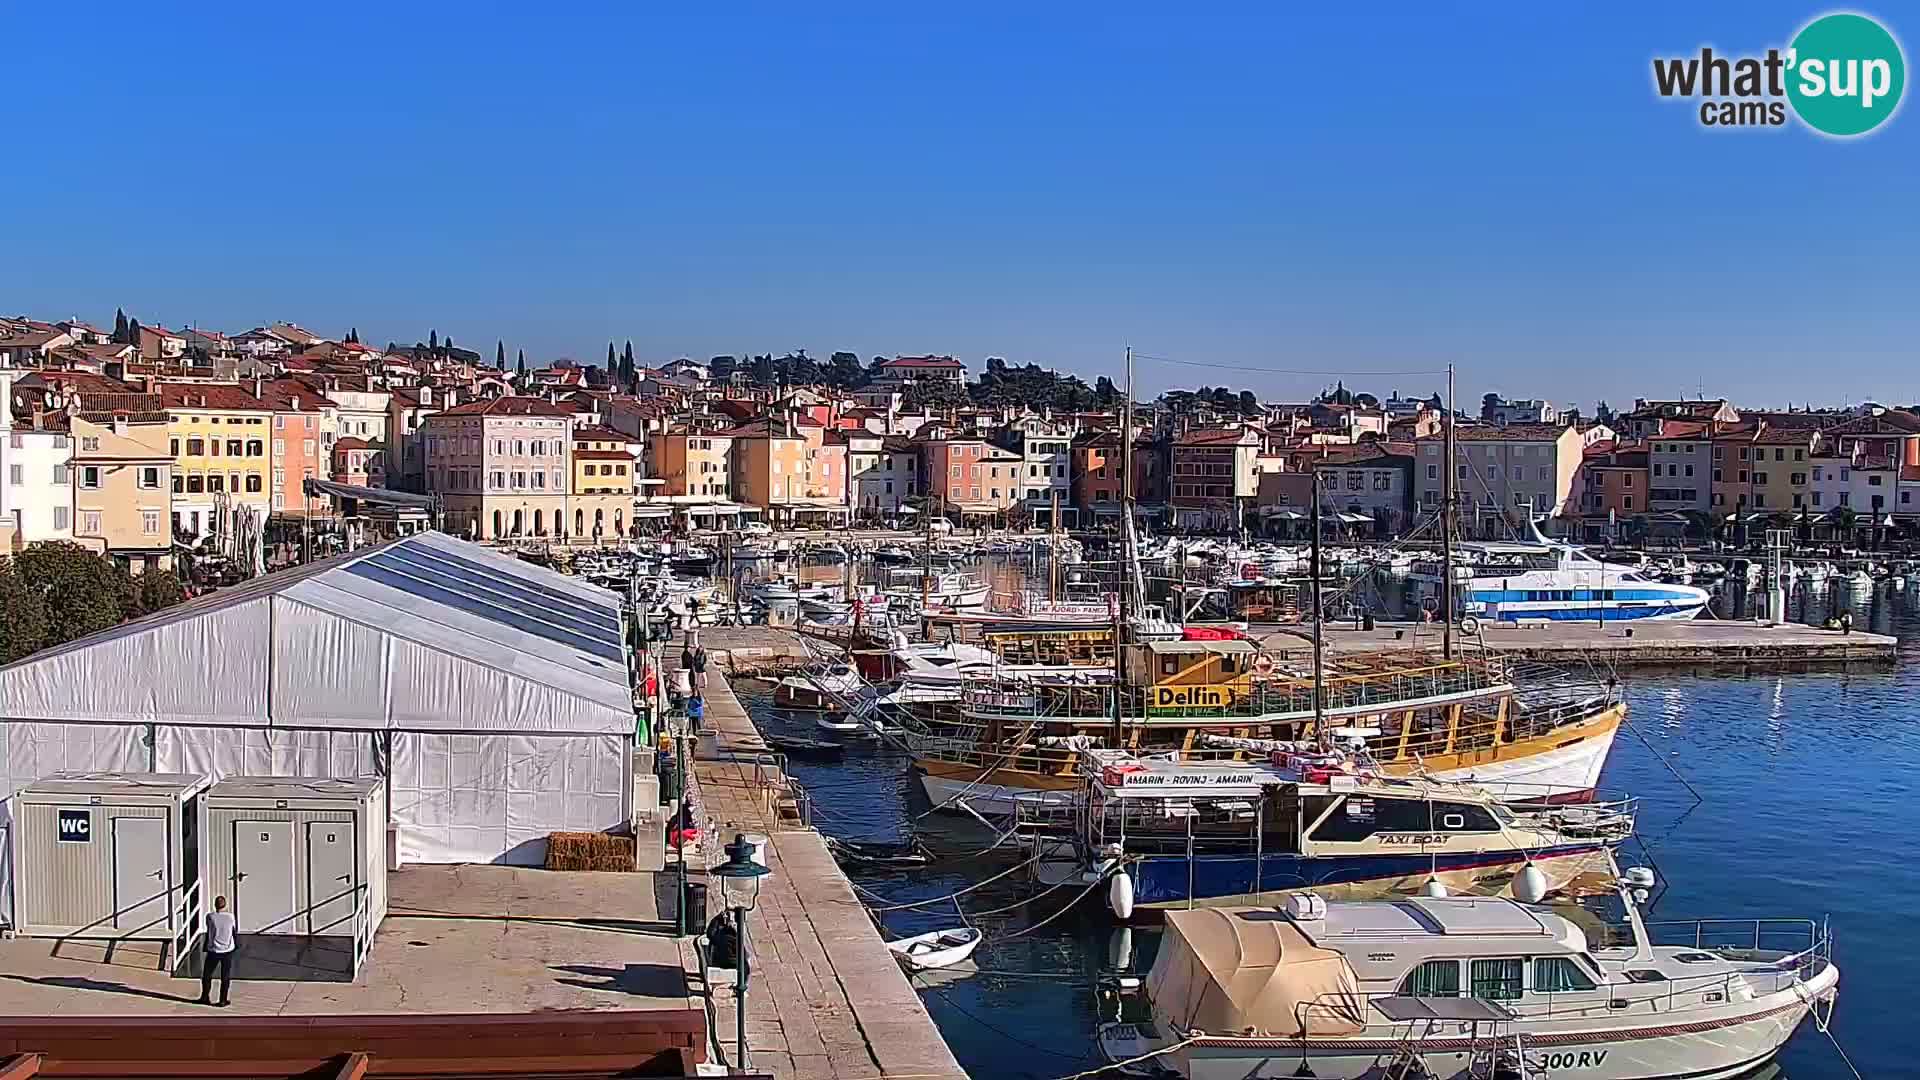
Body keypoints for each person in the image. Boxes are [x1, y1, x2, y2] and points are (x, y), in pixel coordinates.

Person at [199, 895, 238, 1006]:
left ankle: (205, 997)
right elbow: (233, 931)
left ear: (214, 905)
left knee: (207, 974)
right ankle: (222, 1000)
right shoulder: (231, 917)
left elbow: (209, 930)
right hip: (227, 950)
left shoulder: (210, 916)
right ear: (225, 905)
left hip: (214, 950)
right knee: (225, 975)